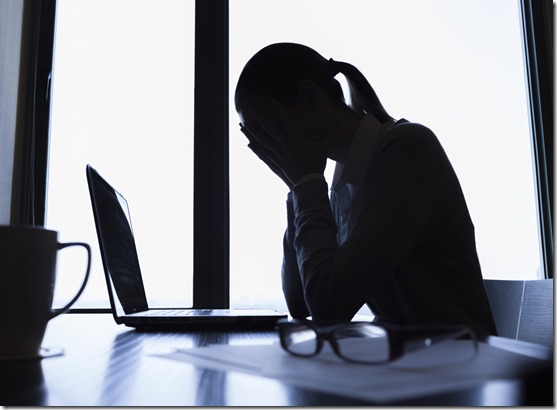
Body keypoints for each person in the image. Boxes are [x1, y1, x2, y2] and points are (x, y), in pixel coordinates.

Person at [235, 42, 497, 336]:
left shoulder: (407, 150)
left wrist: (305, 183)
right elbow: (300, 303)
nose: (269, 146)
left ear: (309, 96)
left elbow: (328, 306)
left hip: (461, 366)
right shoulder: (341, 181)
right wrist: (297, 188)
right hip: (411, 363)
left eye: (269, 129)